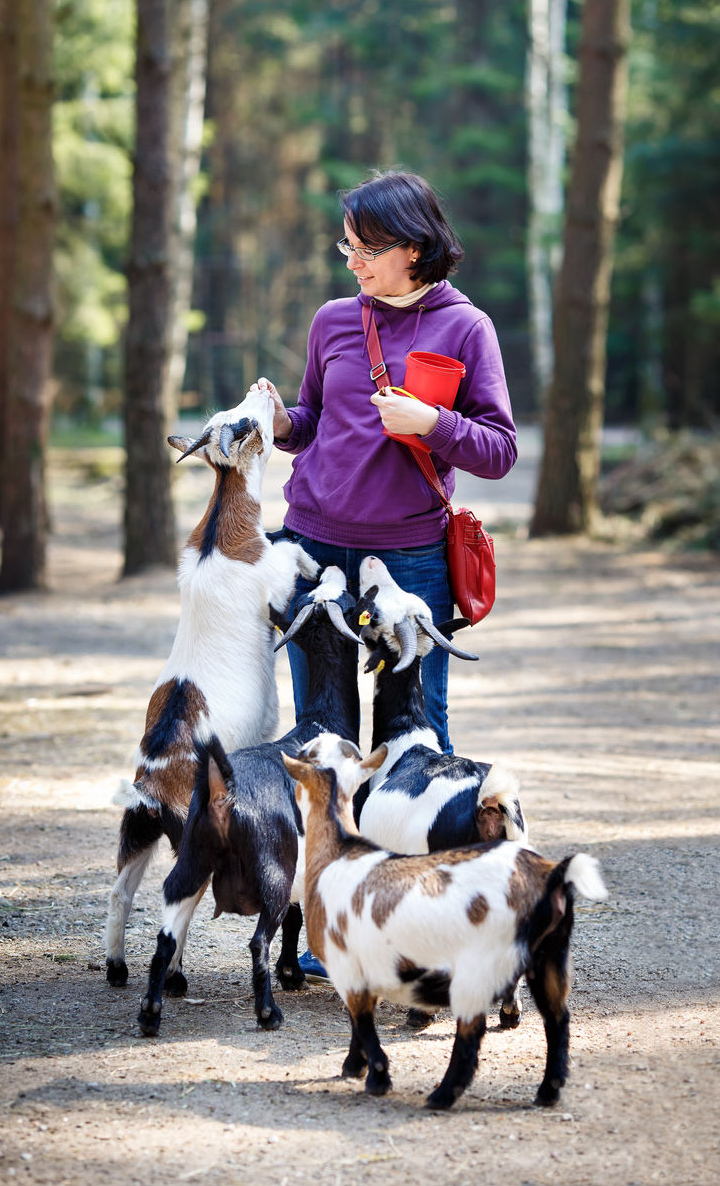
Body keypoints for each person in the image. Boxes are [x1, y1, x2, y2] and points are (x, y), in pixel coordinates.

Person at [259, 169, 517, 978]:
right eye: (347, 245)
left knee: (412, 746)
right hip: (314, 547)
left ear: (411, 249)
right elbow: (310, 424)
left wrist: (434, 423)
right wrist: (277, 420)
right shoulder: (334, 320)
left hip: (411, 562)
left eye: (364, 248)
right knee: (325, 744)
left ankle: (417, 933)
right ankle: (323, 934)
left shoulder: (467, 329)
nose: (351, 262)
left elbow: (499, 448)